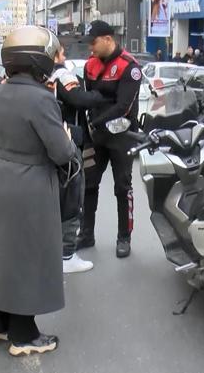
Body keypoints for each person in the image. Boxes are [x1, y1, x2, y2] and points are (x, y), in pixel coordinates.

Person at [0, 26, 77, 356]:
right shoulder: (41, 98)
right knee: (29, 256)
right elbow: (61, 152)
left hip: (0, 176)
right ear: (39, 62)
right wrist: (66, 135)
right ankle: (22, 334)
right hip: (31, 182)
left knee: (4, 253)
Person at [79, 20, 142, 258]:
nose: (90, 49)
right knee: (89, 184)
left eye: (93, 43)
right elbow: (89, 98)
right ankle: (86, 234)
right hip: (96, 137)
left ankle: (124, 237)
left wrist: (95, 122)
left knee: (122, 187)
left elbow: (123, 106)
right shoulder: (90, 66)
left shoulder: (130, 67)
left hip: (121, 136)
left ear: (107, 39)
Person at [49, 45, 111, 273]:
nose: (64, 58)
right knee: (72, 196)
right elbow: (79, 98)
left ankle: (54, 250)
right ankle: (67, 255)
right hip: (69, 141)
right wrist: (100, 94)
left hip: (49, 140)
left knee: (55, 197)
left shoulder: (38, 74)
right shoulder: (61, 73)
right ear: (55, 55)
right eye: (63, 53)